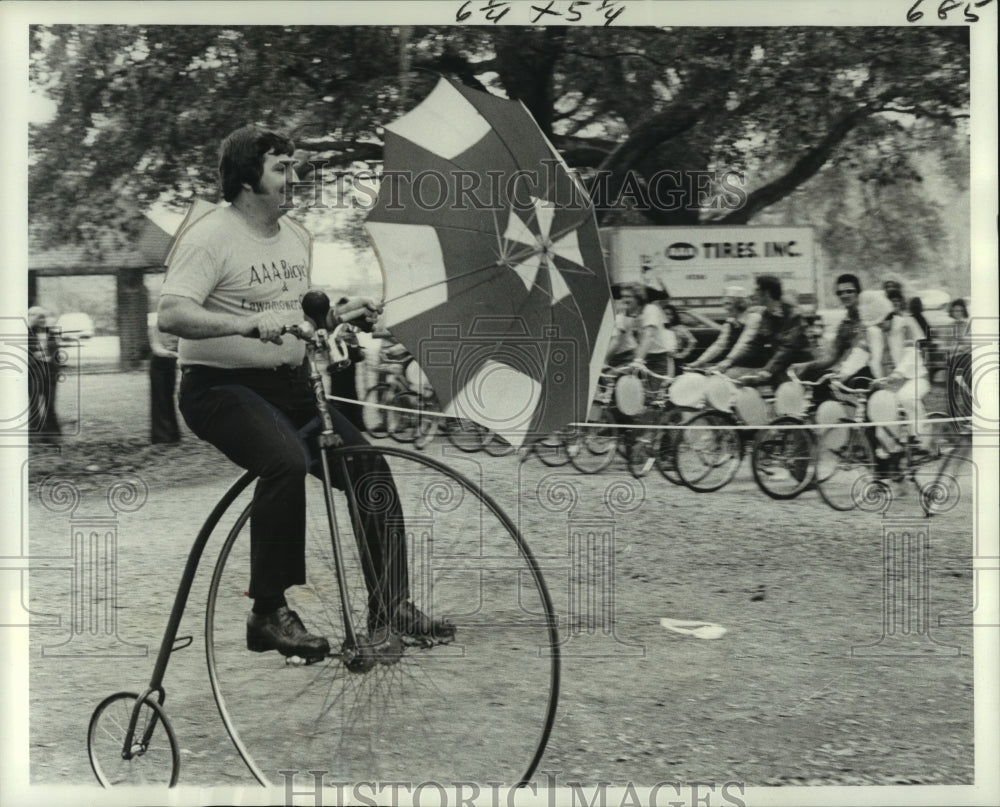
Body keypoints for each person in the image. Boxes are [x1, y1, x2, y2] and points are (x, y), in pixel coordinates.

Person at [158, 125, 452, 663]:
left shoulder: (298, 235)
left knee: (371, 470)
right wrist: (245, 327)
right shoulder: (210, 236)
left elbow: (294, 313)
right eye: (280, 168)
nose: (294, 177)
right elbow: (172, 315)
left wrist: (339, 315)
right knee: (285, 460)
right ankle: (267, 612)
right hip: (220, 389)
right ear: (248, 180)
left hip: (290, 386)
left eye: (293, 165)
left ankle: (390, 608)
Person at [719, 274, 812, 387]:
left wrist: (768, 369)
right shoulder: (766, 314)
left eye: (757, 289)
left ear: (766, 293)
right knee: (732, 376)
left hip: (798, 369)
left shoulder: (793, 315)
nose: (753, 293)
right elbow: (754, 344)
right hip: (779, 368)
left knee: (784, 394)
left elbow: (787, 348)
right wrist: (730, 361)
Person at [789, 273, 870, 398]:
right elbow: (832, 356)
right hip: (846, 370)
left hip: (867, 370)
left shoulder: (869, 318)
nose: (844, 295)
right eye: (840, 293)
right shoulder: (845, 325)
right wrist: (807, 365)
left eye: (849, 291)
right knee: (812, 376)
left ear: (858, 293)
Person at [687, 286, 762, 371]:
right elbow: (719, 345)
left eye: (728, 304)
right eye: (724, 304)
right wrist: (698, 362)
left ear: (740, 304)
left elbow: (743, 343)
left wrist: (728, 360)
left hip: (751, 366)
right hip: (734, 364)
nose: (725, 308)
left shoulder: (753, 318)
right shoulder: (730, 322)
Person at [27, 306, 62, 441]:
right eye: (37, 316)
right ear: (30, 317)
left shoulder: (51, 333)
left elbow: (56, 354)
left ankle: (52, 435)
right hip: (33, 375)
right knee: (34, 406)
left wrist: (55, 369)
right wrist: (36, 358)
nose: (41, 319)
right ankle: (34, 436)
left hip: (50, 374)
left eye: (43, 316)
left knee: (50, 405)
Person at [628, 284, 676, 381]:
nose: (625, 301)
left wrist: (638, 360)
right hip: (642, 357)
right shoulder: (634, 313)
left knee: (654, 393)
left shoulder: (651, 309)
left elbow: (649, 335)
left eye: (629, 298)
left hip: (656, 359)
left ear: (638, 299)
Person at [148, 311, 181, 444]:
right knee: (160, 399)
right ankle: (161, 437)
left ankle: (173, 434)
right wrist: (175, 354)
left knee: (168, 398)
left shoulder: (177, 325)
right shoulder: (154, 325)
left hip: (170, 363)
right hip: (158, 363)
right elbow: (156, 348)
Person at [661, 303, 696, 372]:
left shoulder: (680, 328)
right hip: (661, 358)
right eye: (664, 314)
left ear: (674, 315)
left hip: (675, 358)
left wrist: (683, 354)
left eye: (669, 314)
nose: (667, 316)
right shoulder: (660, 328)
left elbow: (692, 341)